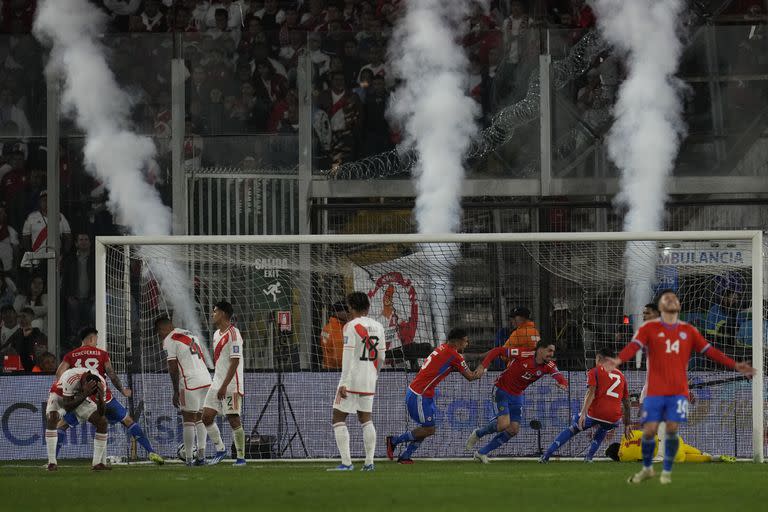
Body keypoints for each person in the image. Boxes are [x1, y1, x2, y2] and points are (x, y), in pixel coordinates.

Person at [603, 289, 755, 484]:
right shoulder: (647, 331)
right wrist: (617, 360)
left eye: (647, 314)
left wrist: (734, 364)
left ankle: (662, 459)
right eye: (644, 315)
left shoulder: (686, 330)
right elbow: (633, 348)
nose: (644, 317)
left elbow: (709, 351)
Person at [54, 327, 164, 465]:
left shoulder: (71, 355)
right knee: (128, 421)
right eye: (96, 340)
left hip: (83, 398)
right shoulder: (102, 354)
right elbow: (111, 374)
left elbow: (59, 373)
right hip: (103, 396)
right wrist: (122, 390)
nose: (96, 343)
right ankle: (151, 452)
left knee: (61, 425)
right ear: (91, 338)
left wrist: (68, 389)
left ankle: (52, 460)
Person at [386, 328, 484, 464]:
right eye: (466, 341)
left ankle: (405, 456)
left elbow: (458, 360)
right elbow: (471, 377)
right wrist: (482, 368)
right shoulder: (455, 356)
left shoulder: (443, 348)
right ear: (459, 341)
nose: (467, 344)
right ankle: (395, 440)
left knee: (426, 428)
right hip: (419, 395)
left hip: (420, 392)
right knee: (429, 428)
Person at [467, 339, 568, 463]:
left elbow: (559, 376)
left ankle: (481, 453)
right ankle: (478, 433)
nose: (552, 354)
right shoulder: (524, 354)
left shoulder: (549, 365)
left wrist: (563, 383)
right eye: (549, 350)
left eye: (553, 351)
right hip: (501, 389)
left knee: (513, 429)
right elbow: (497, 351)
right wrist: (483, 366)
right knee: (503, 424)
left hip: (517, 395)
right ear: (540, 349)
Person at [539, 347, 630, 462]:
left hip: (595, 413)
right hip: (614, 418)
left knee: (573, 428)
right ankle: (589, 457)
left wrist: (583, 414)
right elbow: (627, 402)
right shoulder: (622, 376)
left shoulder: (595, 371)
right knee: (603, 428)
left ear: (600, 359)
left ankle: (546, 456)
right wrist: (627, 424)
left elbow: (590, 393)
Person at [328, 292, 385, 471]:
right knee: (366, 419)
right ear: (368, 308)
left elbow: (347, 355)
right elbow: (381, 355)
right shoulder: (379, 326)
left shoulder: (350, 326)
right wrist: (374, 374)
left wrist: (344, 382)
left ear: (350, 307)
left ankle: (346, 463)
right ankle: (369, 463)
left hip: (352, 378)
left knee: (338, 417)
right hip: (369, 378)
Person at [156, 316, 212, 466]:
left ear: (162, 329)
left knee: (188, 420)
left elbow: (173, 368)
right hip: (206, 379)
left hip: (190, 382)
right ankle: (201, 456)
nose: (160, 336)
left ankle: (188, 459)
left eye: (159, 333)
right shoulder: (189, 333)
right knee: (200, 418)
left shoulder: (169, 339)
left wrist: (175, 391)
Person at [202, 300, 246, 466]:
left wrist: (224, 386)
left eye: (215, 311)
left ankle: (241, 458)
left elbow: (235, 362)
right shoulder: (215, 334)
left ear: (223, 314)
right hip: (217, 382)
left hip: (231, 384)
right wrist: (218, 385)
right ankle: (221, 450)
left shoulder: (234, 334)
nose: (212, 314)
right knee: (206, 417)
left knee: (233, 418)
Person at [45, 368, 109, 471]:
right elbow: (67, 406)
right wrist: (85, 394)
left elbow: (101, 413)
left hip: (81, 396)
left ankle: (97, 464)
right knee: (52, 417)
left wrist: (101, 399)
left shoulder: (101, 383)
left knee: (102, 422)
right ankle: (52, 463)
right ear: (84, 383)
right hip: (60, 395)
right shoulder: (70, 378)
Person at [605, 430, 736, 463]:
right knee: (682, 446)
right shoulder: (628, 434)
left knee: (684, 458)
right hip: (672, 439)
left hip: (670, 456)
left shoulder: (623, 457)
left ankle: (712, 459)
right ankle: (704, 453)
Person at [321, 301, 347, 369]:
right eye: (346, 311)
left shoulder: (326, 328)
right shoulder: (336, 330)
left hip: (328, 368)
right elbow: (338, 356)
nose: (349, 313)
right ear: (338, 312)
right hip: (337, 370)